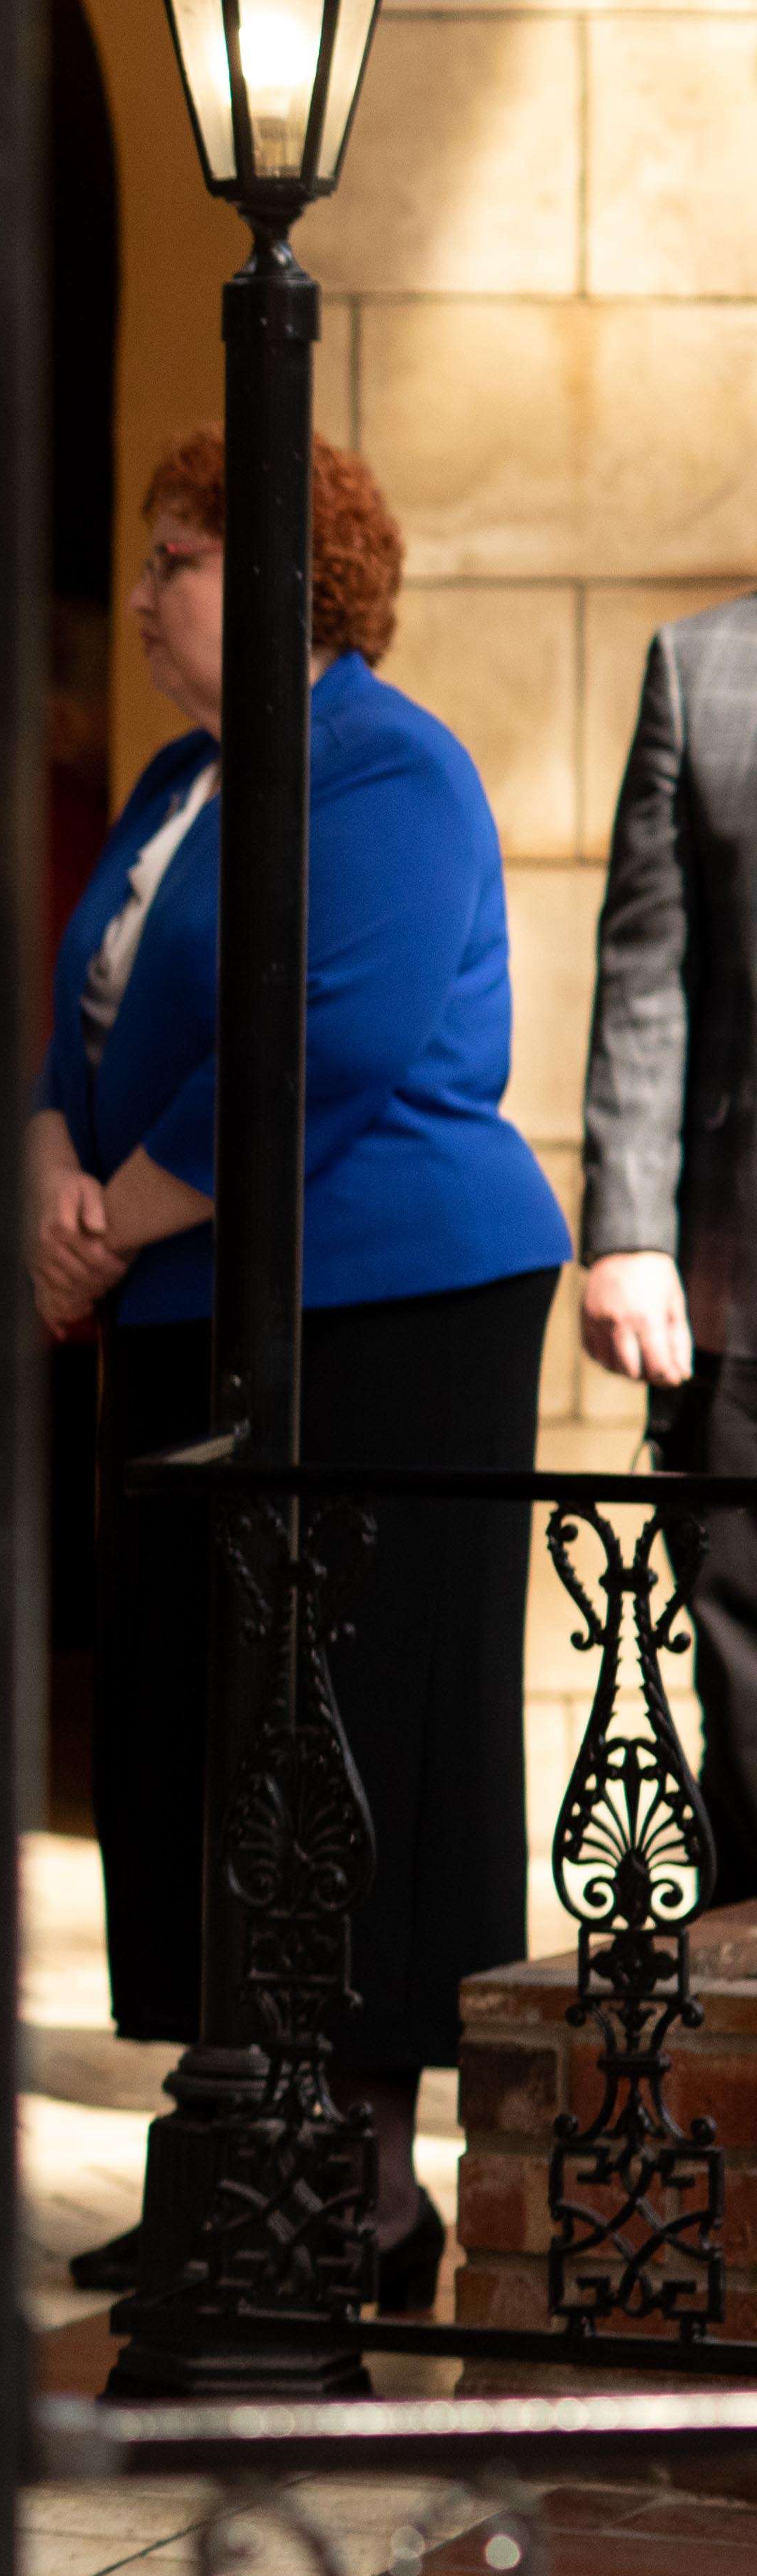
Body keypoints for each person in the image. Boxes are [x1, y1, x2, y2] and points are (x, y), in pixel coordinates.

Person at [34, 430, 569, 2311]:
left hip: (391, 1313)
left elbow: (315, 1047)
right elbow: (77, 1008)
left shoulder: (390, 765)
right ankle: (228, 2151)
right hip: (195, 1305)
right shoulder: (182, 776)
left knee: (359, 1734)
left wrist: (117, 1213)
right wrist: (56, 1178)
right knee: (193, 1721)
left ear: (281, 577)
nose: (147, 591)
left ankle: (366, 2184)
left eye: (178, 557)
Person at [575, 587, 757, 1872]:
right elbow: (649, 974)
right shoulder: (700, 671)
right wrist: (629, 1231)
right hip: (742, 1291)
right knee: (747, 1701)